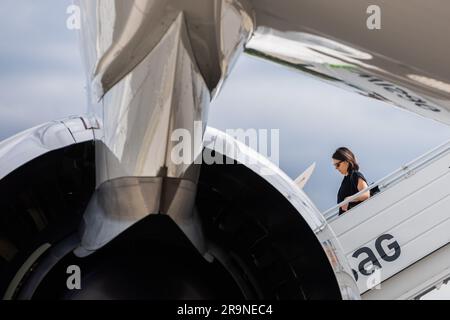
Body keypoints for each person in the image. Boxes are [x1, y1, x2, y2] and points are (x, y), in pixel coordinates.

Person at [332, 147, 370, 215]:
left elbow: (366, 194)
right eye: (335, 166)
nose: (336, 168)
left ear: (346, 161)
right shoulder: (346, 179)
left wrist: (348, 199)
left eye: (337, 165)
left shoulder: (355, 175)